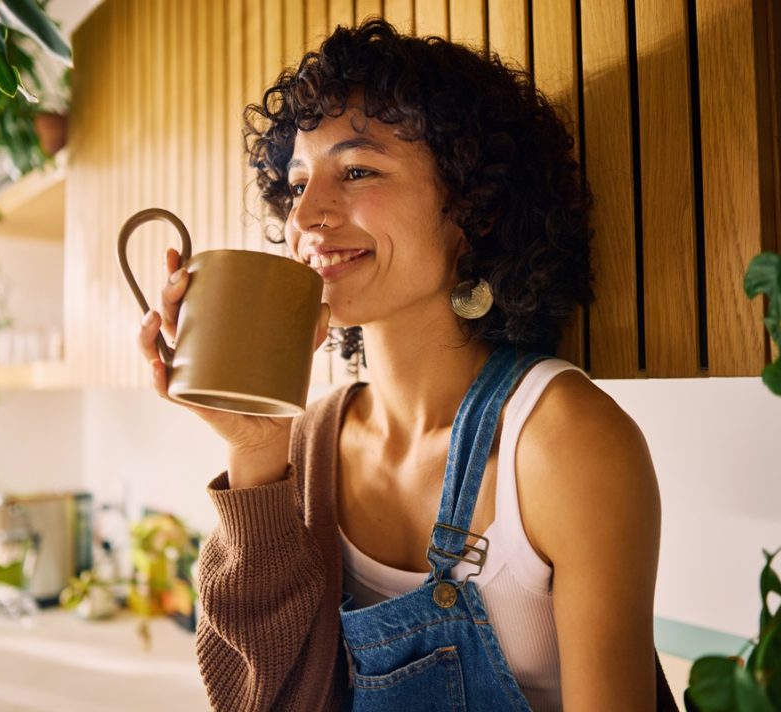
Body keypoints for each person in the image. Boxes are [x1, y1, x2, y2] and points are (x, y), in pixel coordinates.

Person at [137, 19, 670, 712]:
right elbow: (257, 700)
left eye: (357, 171)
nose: (308, 216)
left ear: (472, 208)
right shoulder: (310, 440)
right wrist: (256, 450)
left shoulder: (564, 441)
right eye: (297, 185)